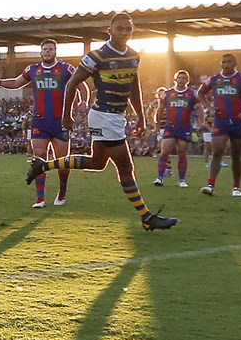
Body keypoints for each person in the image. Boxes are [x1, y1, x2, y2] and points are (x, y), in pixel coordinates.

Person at [25, 13, 177, 230]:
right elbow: (72, 84)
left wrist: (141, 116)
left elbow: (134, 87)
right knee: (125, 167)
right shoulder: (97, 56)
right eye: (120, 29)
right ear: (110, 31)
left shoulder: (133, 56)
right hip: (105, 115)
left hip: (115, 116)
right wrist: (66, 116)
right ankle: (146, 216)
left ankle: (44, 166)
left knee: (97, 163)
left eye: (128, 29)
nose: (124, 33)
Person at [0, 38, 86, 208]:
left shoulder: (65, 68)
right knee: (39, 158)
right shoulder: (33, 69)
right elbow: (17, 83)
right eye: (45, 49)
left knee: (62, 161)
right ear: (41, 52)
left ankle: (62, 193)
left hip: (60, 121)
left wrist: (83, 101)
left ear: (55, 52)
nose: (48, 52)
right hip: (40, 121)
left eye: (51, 49)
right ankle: (40, 199)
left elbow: (82, 86)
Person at [197, 53, 241, 196]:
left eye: (229, 62)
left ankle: (236, 187)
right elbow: (200, 93)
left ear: (235, 63)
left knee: (236, 154)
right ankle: (210, 185)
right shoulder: (214, 79)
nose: (226, 65)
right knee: (217, 150)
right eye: (223, 62)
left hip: (238, 121)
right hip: (221, 120)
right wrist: (209, 107)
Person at [154, 71, 201, 188]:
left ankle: (182, 180)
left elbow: (199, 107)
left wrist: (202, 121)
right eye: (179, 78)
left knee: (182, 153)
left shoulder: (192, 94)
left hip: (184, 127)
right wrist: (157, 124)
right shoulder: (167, 93)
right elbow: (160, 109)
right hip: (170, 127)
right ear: (175, 79)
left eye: (184, 78)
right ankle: (159, 177)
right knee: (165, 151)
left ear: (188, 80)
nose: (181, 80)